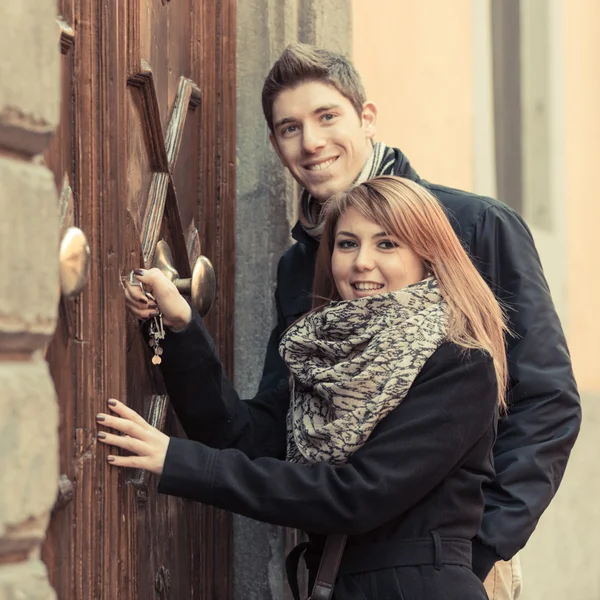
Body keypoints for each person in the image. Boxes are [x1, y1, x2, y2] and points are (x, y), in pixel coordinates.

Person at [255, 43, 580, 599]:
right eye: (291, 127)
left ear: (367, 118)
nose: (311, 142)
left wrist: (475, 547)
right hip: (340, 566)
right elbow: (279, 414)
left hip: (446, 559)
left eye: (326, 116)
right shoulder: (296, 267)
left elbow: (547, 399)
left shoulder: (475, 224)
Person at [98, 176, 508, 599]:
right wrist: (181, 326)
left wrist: (180, 461)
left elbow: (358, 496)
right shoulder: (327, 358)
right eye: (347, 244)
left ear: (429, 257)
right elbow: (239, 436)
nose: (361, 262)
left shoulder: (459, 362)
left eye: (386, 244)